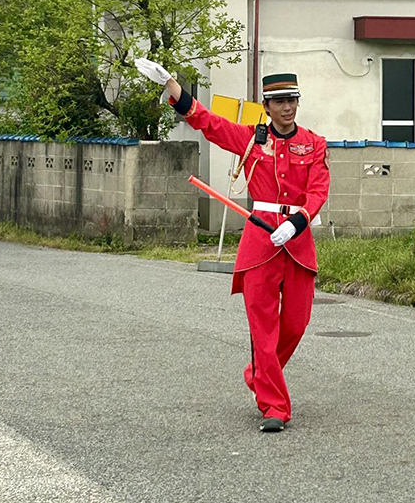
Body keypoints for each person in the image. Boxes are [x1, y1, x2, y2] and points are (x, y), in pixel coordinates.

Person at [135, 58, 330, 433]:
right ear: (267, 106)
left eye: (293, 100)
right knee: (263, 328)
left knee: (296, 323)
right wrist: (172, 85)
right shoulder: (250, 139)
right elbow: (206, 122)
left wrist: (298, 221)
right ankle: (275, 406)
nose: (288, 108)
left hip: (297, 240)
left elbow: (318, 189)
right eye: (280, 102)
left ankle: (258, 372)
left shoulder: (314, 143)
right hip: (260, 243)